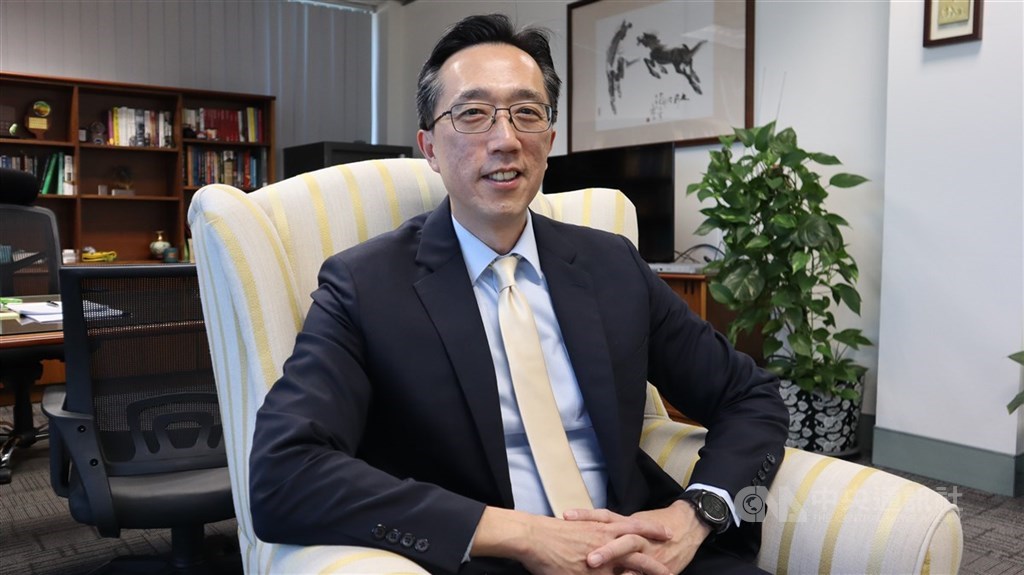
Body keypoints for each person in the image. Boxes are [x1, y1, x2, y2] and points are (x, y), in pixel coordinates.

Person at [249, 13, 788, 575]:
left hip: (639, 549)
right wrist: (524, 536)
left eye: (527, 113)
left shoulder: (612, 265)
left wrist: (697, 513)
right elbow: (283, 474)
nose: (505, 140)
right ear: (429, 147)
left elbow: (749, 395)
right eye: (472, 114)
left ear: (548, 142)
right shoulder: (364, 286)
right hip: (490, 561)